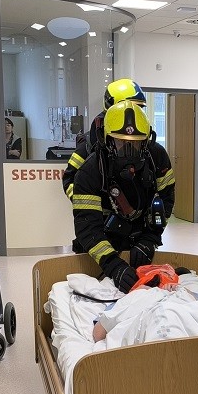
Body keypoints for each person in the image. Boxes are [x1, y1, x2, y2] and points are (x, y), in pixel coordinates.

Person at [69, 101, 175, 292]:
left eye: (135, 144)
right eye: (120, 143)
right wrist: (113, 265)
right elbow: (88, 226)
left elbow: (165, 200)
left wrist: (149, 240)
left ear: (147, 141)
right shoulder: (90, 171)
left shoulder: (157, 158)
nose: (129, 152)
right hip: (101, 241)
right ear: (107, 141)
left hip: (141, 238)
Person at [61, 78, 148, 201]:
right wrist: (85, 202)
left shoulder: (144, 143)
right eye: (132, 107)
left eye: (139, 108)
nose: (135, 113)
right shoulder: (89, 142)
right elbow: (69, 179)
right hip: (99, 211)